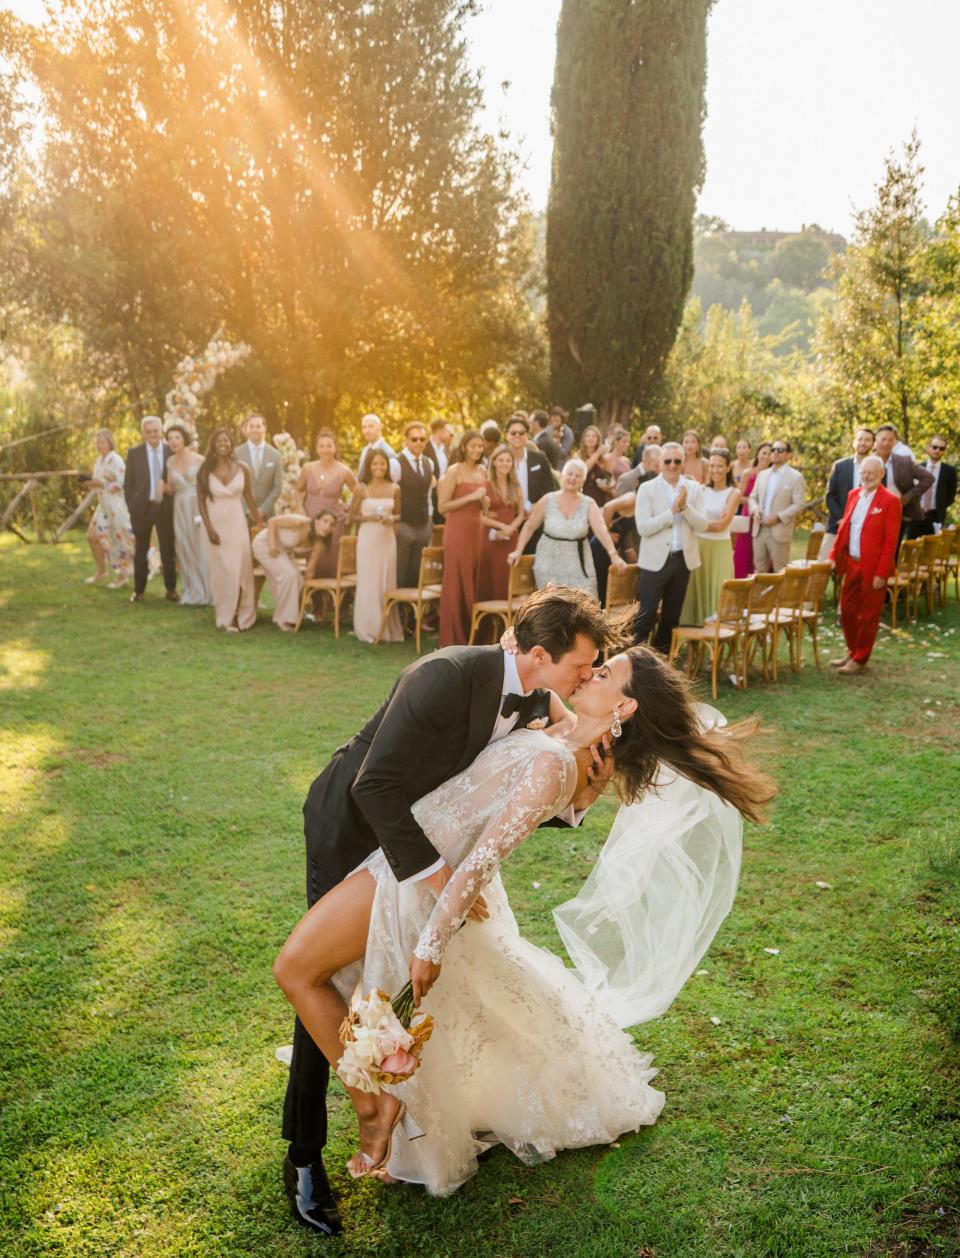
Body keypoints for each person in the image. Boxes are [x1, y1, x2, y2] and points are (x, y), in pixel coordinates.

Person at [274, 632, 775, 1201]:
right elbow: (515, 707)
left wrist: (432, 940)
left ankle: (372, 1104)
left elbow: (485, 854)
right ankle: (380, 1098)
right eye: (590, 665)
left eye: (603, 672)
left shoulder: (560, 761)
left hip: (417, 878)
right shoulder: (553, 732)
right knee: (346, 983)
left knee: (297, 969)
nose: (589, 675)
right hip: (406, 856)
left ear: (625, 705)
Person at [275, 587, 627, 1233]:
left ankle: (394, 1109)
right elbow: (373, 785)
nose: (585, 676)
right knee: (319, 980)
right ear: (541, 654)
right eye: (581, 665)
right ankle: (305, 1157)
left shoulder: (541, 703)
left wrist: (585, 794)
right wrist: (443, 886)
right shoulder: (443, 674)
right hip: (350, 829)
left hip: (423, 852)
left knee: (357, 988)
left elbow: (496, 797)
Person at [508, 459, 625, 598]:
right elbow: (529, 526)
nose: (573, 478)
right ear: (563, 476)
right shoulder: (547, 499)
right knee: (551, 608)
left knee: (583, 606)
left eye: (577, 476)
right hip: (548, 562)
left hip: (579, 564)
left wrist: (613, 554)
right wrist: (518, 551)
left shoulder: (589, 503)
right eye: (570, 474)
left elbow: (600, 529)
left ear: (583, 481)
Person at [829, 455, 902, 675]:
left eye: (871, 472)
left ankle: (861, 657)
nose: (866, 476)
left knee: (868, 614)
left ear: (881, 474)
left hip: (873, 567)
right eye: (863, 472)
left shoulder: (890, 501)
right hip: (851, 562)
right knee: (848, 610)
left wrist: (882, 572)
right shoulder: (853, 495)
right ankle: (852, 651)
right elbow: (844, 529)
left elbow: (891, 542)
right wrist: (834, 555)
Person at [633, 441, 708, 652]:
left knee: (671, 617)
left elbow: (703, 524)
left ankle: (660, 664)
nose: (672, 465)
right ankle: (634, 663)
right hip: (654, 561)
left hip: (682, 560)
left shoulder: (693, 489)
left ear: (683, 462)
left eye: (677, 461)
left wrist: (685, 507)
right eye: (668, 461)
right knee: (645, 615)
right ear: (660, 462)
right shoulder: (647, 489)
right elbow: (643, 528)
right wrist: (671, 512)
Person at [198, 426, 263, 633]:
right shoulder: (205, 470)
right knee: (221, 572)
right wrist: (209, 528)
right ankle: (225, 612)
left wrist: (260, 524)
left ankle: (239, 614)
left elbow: (250, 499)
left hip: (236, 524)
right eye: (219, 442)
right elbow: (200, 502)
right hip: (215, 524)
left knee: (239, 569)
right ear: (213, 446)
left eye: (226, 441)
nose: (223, 444)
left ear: (231, 443)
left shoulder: (242, 468)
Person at [679, 448, 740, 626]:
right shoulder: (701, 490)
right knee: (696, 590)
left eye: (720, 466)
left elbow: (722, 524)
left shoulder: (734, 493)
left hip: (720, 549)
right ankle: (693, 634)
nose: (715, 470)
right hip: (699, 547)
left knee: (718, 590)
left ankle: (716, 638)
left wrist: (701, 522)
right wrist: (702, 521)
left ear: (728, 467)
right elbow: (688, 516)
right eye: (712, 465)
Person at [437, 432, 488, 646]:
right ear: (465, 447)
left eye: (480, 446)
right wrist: (470, 497)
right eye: (473, 446)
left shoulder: (483, 471)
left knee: (473, 580)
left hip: (477, 532)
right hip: (457, 532)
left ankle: (472, 635)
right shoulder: (454, 471)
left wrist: (484, 502)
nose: (477, 450)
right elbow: (442, 507)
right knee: (456, 581)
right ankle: (452, 637)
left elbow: (482, 503)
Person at [123, 415, 178, 604]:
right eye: (149, 431)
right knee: (141, 551)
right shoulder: (134, 453)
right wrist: (132, 507)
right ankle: (139, 591)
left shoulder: (171, 451)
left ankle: (171, 589)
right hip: (142, 510)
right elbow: (127, 484)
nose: (153, 434)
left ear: (161, 431)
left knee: (168, 551)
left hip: (165, 508)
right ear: (143, 433)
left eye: (156, 430)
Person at [348, 450, 402, 643]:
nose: (379, 468)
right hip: (367, 540)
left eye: (382, 464)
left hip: (387, 540)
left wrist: (391, 518)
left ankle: (386, 627)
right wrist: (369, 517)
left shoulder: (395, 488)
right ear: (368, 466)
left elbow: (399, 515)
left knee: (386, 581)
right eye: (375, 464)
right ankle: (368, 627)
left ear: (387, 466)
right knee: (369, 583)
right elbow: (351, 517)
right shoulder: (361, 488)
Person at [161, 422, 212, 606]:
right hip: (180, 507)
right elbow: (172, 488)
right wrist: (160, 487)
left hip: (197, 505)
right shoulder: (170, 462)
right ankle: (192, 590)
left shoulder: (199, 460)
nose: (174, 441)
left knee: (201, 547)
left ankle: (208, 591)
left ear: (184, 439)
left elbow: (207, 486)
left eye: (177, 437)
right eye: (170, 438)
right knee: (185, 547)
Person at [296, 430, 357, 579]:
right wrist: (299, 508)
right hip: (311, 519)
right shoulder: (308, 468)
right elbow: (298, 491)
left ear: (335, 447)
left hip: (333, 522)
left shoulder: (344, 470)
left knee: (330, 561)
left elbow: (359, 492)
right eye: (322, 446)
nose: (325, 450)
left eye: (329, 446)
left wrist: (349, 509)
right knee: (312, 560)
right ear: (317, 448)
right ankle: (311, 597)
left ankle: (332, 600)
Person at [84, 429, 135, 589]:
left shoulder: (116, 460)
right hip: (103, 505)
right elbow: (98, 482)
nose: (99, 445)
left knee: (120, 539)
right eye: (97, 442)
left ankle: (122, 576)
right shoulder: (99, 460)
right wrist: (89, 484)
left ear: (110, 442)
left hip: (116, 505)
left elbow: (122, 483)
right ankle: (101, 571)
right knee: (92, 537)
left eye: (103, 442)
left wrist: (102, 484)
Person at [748, 439, 807, 573]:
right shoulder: (763, 475)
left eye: (780, 450)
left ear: (789, 455)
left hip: (779, 530)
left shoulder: (796, 477)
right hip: (759, 530)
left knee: (780, 571)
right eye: (773, 450)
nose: (775, 453)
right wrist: (755, 509)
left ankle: (779, 595)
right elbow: (752, 497)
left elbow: (799, 504)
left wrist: (779, 517)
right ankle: (760, 595)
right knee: (759, 570)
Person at [478, 443, 525, 603]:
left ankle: (508, 621)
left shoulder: (516, 486)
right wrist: (501, 526)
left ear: (512, 464)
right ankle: (487, 624)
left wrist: (510, 528)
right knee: (489, 580)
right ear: (494, 462)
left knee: (508, 579)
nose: (505, 464)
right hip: (490, 539)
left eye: (508, 461)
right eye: (501, 460)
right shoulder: (486, 485)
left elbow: (521, 514)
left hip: (511, 539)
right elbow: (479, 516)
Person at [251, 511, 313, 631]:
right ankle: (284, 619)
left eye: (331, 524)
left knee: (298, 579)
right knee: (290, 575)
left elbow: (293, 546)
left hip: (282, 549)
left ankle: (291, 614)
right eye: (325, 522)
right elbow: (272, 522)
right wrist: (272, 546)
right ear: (317, 521)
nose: (327, 527)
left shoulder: (312, 534)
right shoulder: (300, 521)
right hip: (265, 545)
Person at [821, 428, 875, 559]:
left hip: (863, 529)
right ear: (854, 442)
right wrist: (842, 519)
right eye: (860, 439)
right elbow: (830, 496)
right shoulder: (840, 466)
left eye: (867, 440)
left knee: (852, 570)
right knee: (822, 566)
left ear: (873, 444)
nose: (863, 443)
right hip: (837, 525)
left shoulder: (877, 467)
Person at [394, 423, 436, 589]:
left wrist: (429, 520)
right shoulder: (395, 464)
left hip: (423, 525)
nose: (419, 442)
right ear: (406, 441)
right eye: (414, 439)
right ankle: (397, 612)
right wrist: (396, 523)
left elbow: (427, 495)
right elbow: (392, 494)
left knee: (416, 573)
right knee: (400, 572)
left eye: (422, 439)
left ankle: (412, 613)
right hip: (404, 524)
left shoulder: (428, 463)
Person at [873, 424, 934, 537]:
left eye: (890, 440)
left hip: (896, 513)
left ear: (894, 443)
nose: (886, 443)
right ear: (876, 440)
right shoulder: (868, 461)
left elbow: (928, 478)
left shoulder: (904, 461)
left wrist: (907, 497)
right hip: (872, 513)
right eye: (883, 439)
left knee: (893, 550)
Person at [235, 413, 283, 520]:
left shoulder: (275, 455)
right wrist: (248, 509)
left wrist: (263, 510)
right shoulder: (236, 454)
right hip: (242, 514)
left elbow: (278, 487)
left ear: (264, 428)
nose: (254, 429)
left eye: (258, 426)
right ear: (247, 429)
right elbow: (234, 484)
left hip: (267, 514)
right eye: (251, 426)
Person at [733, 442, 770, 578]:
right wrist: (753, 502)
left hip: (765, 518)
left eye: (770, 454)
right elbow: (739, 497)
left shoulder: (772, 476)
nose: (766, 456)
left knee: (762, 555)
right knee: (745, 552)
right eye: (764, 452)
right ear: (758, 453)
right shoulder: (748, 473)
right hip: (748, 517)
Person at [908, 435, 956, 538]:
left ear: (944, 451)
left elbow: (950, 497)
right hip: (916, 515)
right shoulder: (918, 468)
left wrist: (939, 506)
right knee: (911, 549)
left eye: (941, 448)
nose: (937, 450)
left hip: (936, 516)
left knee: (932, 551)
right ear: (929, 448)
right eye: (935, 447)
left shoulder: (950, 472)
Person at [504, 415, 554, 514]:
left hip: (534, 517)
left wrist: (532, 508)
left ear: (527, 435)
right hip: (506, 517)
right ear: (507, 435)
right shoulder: (499, 460)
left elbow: (549, 491)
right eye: (513, 433)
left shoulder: (540, 459)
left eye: (521, 433)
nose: (517, 435)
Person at [578, 425, 616, 506]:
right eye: (587, 436)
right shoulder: (578, 456)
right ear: (583, 439)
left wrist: (608, 485)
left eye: (594, 436)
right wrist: (598, 452)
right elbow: (584, 469)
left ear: (598, 440)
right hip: (583, 495)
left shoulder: (604, 459)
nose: (590, 438)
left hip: (601, 497)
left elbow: (612, 478)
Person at [356, 414, 399, 483]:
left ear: (380, 427)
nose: (367, 431)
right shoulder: (365, 450)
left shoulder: (389, 453)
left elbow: (392, 483)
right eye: (364, 427)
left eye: (371, 426)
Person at [426, 419, 454, 522]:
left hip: (444, 497)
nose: (449, 435)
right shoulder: (424, 448)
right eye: (447, 432)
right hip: (430, 499)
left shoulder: (446, 449)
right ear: (439, 431)